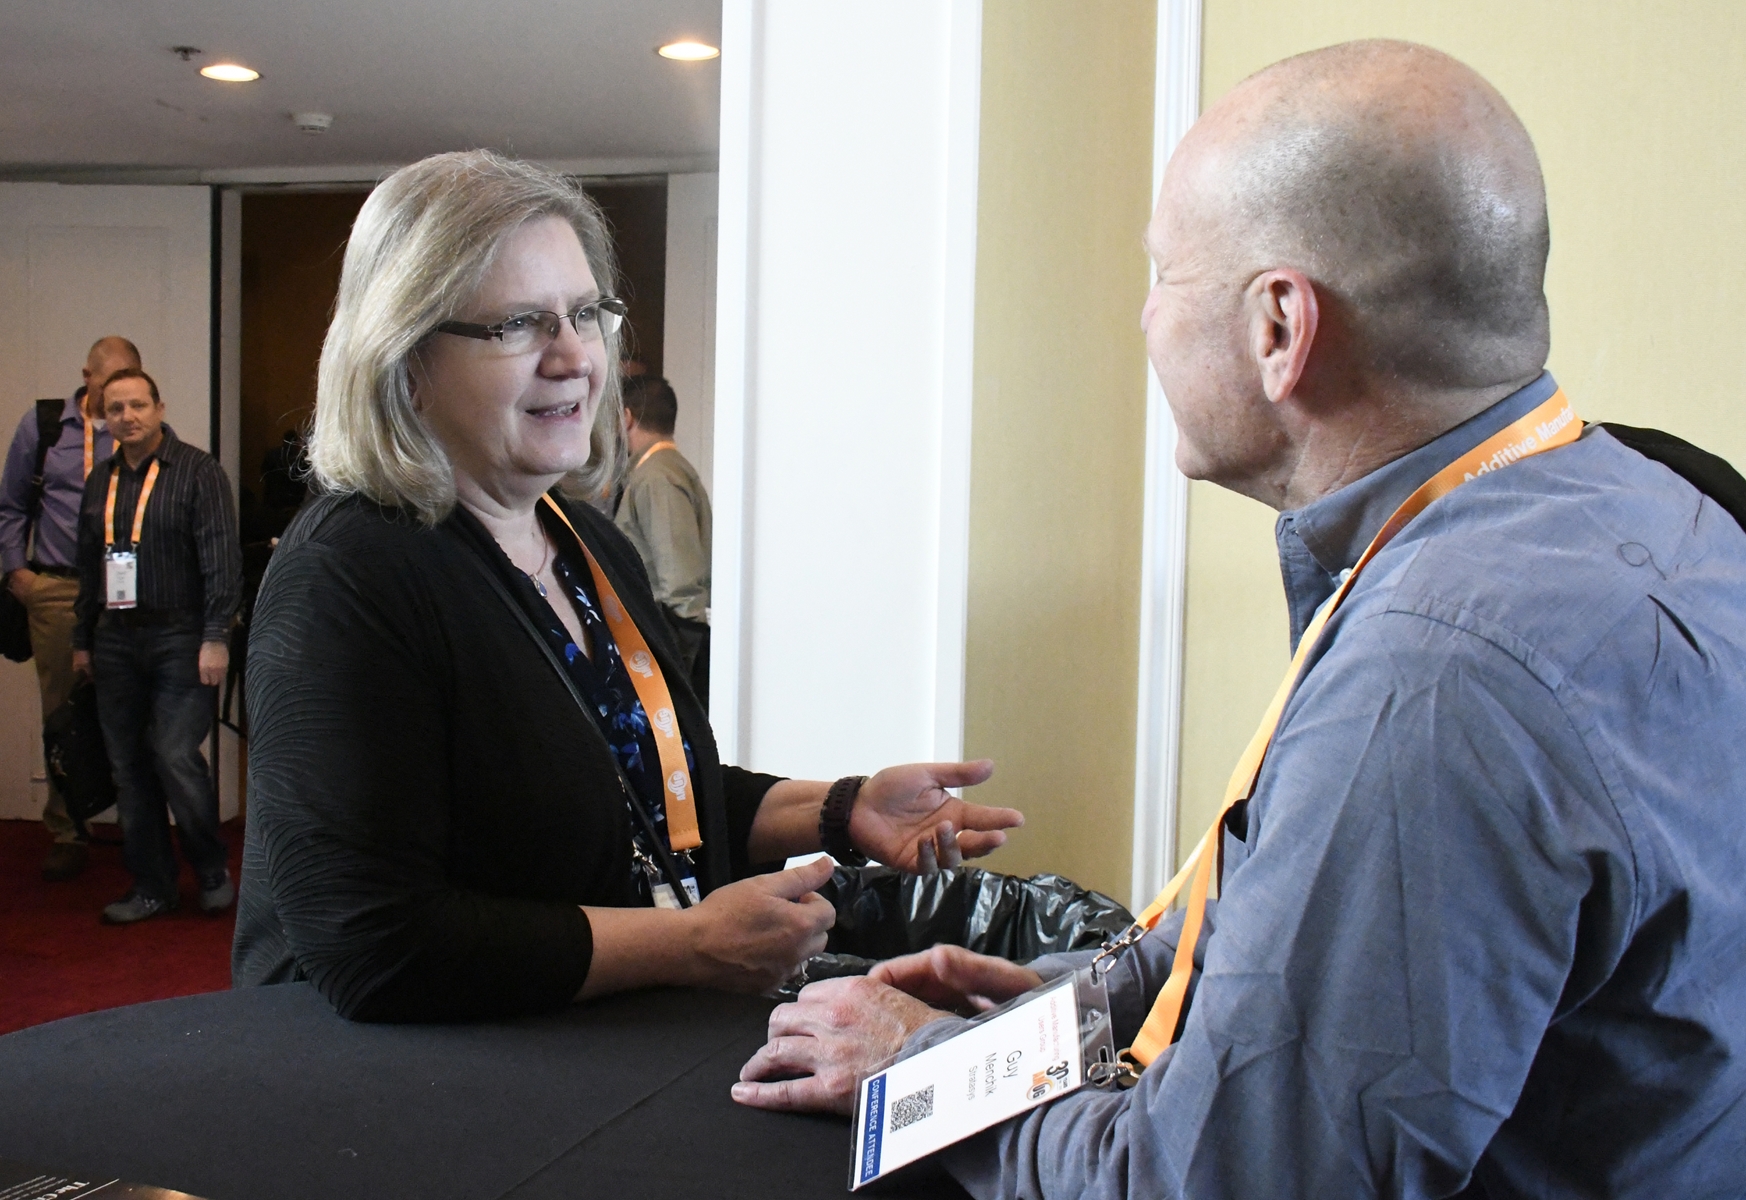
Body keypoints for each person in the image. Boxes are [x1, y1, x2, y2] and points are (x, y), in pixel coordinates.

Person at [733, 40, 1746, 1198]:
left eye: (1165, 274)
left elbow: (1224, 1180)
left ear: (1279, 327)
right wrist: (1087, 1008)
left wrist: (918, 1071)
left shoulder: (1438, 676)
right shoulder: (1647, 500)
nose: (1145, 317)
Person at [231, 150, 1023, 1022]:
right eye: (520, 324)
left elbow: (646, 788)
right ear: (406, 358)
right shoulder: (346, 576)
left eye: (585, 314)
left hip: (600, 1042)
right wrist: (689, 942)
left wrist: (844, 810)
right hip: (413, 1080)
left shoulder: (587, 540)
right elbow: (371, 941)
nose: (575, 356)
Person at [72, 368, 242, 924]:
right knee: (127, 767)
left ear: (159, 408)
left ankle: (210, 868)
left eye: (138, 405)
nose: (128, 417)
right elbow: (88, 566)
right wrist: (82, 640)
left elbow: (222, 561)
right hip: (114, 639)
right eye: (116, 408)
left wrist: (215, 638)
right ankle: (151, 885)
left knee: (173, 754)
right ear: (105, 417)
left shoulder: (198, 471)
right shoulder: (100, 480)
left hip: (181, 637)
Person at [0, 336, 131, 880]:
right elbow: (10, 505)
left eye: (130, 378)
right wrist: (19, 574)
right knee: (62, 713)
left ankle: (136, 822)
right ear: (87, 377)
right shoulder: (45, 427)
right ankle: (67, 830)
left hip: (121, 591)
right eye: (110, 379)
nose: (120, 392)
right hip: (56, 588)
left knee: (125, 707)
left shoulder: (136, 428)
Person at [615, 375, 711, 693]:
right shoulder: (668, 469)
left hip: (671, 648)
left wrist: (678, 674)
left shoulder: (657, 478)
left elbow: (680, 583)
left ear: (626, 417)